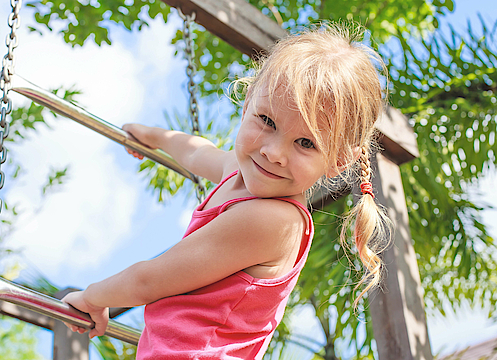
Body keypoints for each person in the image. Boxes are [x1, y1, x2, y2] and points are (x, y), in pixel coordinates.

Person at [62, 22, 391, 359]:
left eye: (305, 143)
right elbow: (195, 151)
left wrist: (92, 298)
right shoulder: (236, 171)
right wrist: (154, 137)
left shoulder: (274, 221)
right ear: (248, 102)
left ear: (338, 160)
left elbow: (150, 280)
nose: (273, 153)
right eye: (267, 121)